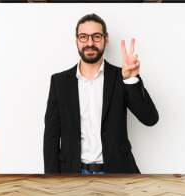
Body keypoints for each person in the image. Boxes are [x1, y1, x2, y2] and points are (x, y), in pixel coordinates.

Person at [43, 13, 159, 174]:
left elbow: (150, 119)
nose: (90, 43)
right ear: (76, 40)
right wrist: (51, 180)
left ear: (106, 39)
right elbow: (51, 136)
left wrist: (131, 79)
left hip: (118, 172)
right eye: (83, 37)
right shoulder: (59, 82)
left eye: (96, 36)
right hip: (72, 173)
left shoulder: (121, 77)